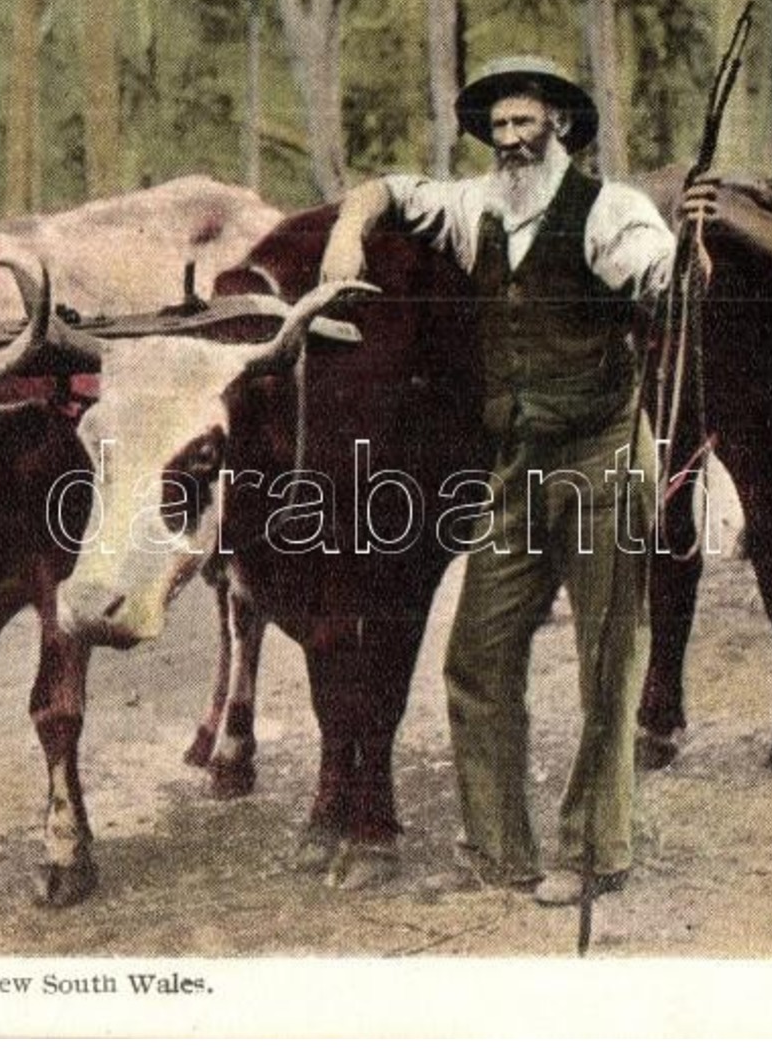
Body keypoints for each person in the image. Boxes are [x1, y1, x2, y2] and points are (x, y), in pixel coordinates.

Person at [320, 55, 677, 907]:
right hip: (515, 467)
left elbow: (659, 274)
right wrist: (345, 230)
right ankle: (497, 847)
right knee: (477, 655)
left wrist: (676, 264)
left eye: (525, 123)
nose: (510, 140)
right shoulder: (476, 207)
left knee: (605, 661)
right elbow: (387, 190)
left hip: (603, 453)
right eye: (498, 127)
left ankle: (593, 851)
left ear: (559, 125)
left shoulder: (610, 212)